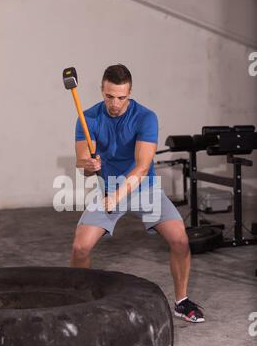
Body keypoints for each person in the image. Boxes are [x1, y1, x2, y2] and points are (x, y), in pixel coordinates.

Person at [70, 64, 204, 323]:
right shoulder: (88, 119)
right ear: (102, 90)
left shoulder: (146, 117)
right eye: (109, 96)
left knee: (180, 240)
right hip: (109, 188)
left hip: (144, 188)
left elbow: (142, 167)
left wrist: (118, 197)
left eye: (121, 97)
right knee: (80, 247)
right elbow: (83, 165)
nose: (115, 103)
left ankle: (181, 301)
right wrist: (88, 165)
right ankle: (78, 305)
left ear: (129, 93)